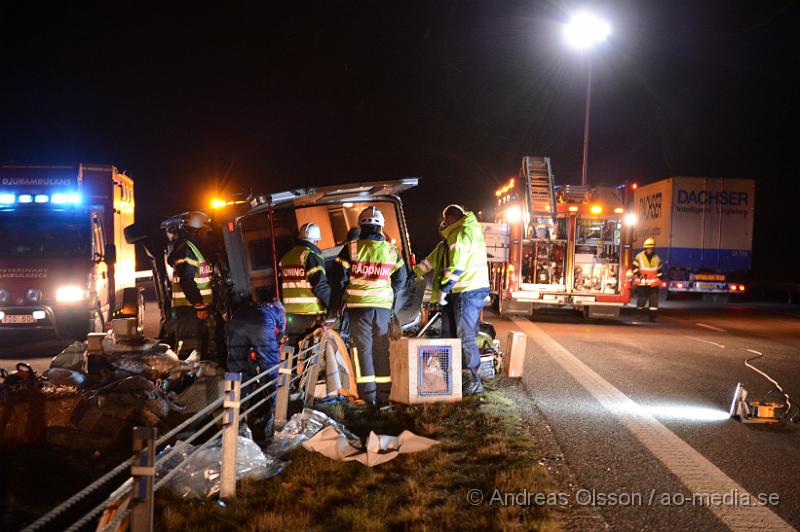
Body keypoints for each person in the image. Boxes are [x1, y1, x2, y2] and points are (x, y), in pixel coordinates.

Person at [330, 206, 406, 405]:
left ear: (361, 226)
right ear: (381, 227)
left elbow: (338, 278)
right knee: (381, 349)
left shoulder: (352, 248)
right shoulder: (391, 250)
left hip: (358, 308)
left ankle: (368, 397)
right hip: (381, 309)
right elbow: (401, 279)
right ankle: (384, 396)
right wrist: (389, 295)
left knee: (362, 349)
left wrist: (338, 303)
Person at [438, 204, 490, 395]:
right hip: (476, 288)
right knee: (467, 335)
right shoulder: (472, 229)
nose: (444, 223)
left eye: (445, 219)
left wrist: (444, 288)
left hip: (466, 289)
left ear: (450, 218)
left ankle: (475, 382)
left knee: (465, 336)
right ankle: (465, 379)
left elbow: (457, 265)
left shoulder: (459, 233)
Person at [225, 287, 286, 443]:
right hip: (261, 325)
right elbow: (278, 337)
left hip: (235, 322)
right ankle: (273, 412)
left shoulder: (249, 306)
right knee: (271, 368)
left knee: (236, 369)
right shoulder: (278, 308)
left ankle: (234, 414)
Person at [166, 211, 215, 359]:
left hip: (197, 307)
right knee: (189, 349)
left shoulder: (195, 247)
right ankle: (185, 380)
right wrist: (198, 303)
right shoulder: (186, 249)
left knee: (203, 347)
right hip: (188, 309)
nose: (208, 234)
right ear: (198, 229)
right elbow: (186, 279)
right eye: (206, 230)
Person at [279, 222, 331, 343]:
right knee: (312, 354)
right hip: (311, 313)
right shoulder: (311, 256)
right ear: (315, 241)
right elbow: (320, 285)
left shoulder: (286, 257)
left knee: (292, 352)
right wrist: (332, 305)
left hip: (290, 313)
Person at [632, 237, 664, 322]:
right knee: (642, 300)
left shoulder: (657, 258)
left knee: (654, 302)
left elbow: (660, 270)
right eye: (648, 248)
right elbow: (634, 268)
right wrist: (639, 274)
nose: (650, 249)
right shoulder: (639, 256)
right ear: (645, 248)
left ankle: (652, 317)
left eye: (651, 248)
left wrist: (660, 277)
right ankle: (638, 313)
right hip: (643, 283)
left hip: (653, 284)